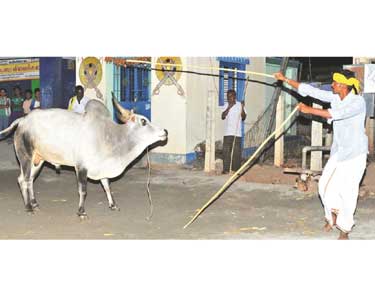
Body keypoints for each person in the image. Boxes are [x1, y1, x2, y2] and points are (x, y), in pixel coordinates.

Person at [274, 70, 368, 240]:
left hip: (355, 154)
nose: (332, 85)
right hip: (339, 153)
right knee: (324, 185)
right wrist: (285, 79)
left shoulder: (357, 102)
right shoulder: (336, 98)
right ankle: (333, 214)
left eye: (334, 83)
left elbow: (335, 114)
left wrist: (308, 109)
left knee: (348, 191)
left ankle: (344, 229)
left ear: (343, 85)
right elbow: (312, 91)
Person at [221, 89, 247, 174]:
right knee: (226, 152)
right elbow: (223, 116)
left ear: (234, 97)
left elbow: (243, 117)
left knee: (236, 152)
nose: (229, 98)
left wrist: (242, 107)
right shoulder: (226, 105)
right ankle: (226, 169)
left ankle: (236, 169)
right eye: (228, 97)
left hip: (237, 132)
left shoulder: (240, 105)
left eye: (230, 96)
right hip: (228, 132)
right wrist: (229, 107)